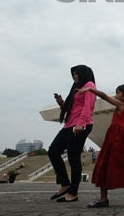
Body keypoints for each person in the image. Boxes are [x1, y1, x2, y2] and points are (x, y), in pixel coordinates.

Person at [77, 84, 124, 208]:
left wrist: (90, 89)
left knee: (104, 164)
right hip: (122, 139)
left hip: (115, 138)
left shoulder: (121, 105)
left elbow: (104, 96)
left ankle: (103, 199)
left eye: (118, 93)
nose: (115, 95)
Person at [48, 65, 97, 203]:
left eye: (76, 73)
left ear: (83, 73)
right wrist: (61, 103)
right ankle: (65, 183)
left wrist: (80, 123)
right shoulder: (76, 86)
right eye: (73, 73)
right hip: (69, 124)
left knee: (73, 157)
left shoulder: (89, 85)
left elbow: (88, 106)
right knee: (53, 151)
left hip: (82, 124)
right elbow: (72, 107)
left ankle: (73, 192)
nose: (74, 76)